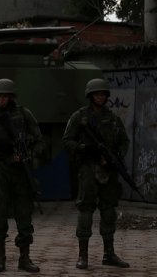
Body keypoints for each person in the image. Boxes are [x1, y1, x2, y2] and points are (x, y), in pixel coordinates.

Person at [0, 78, 44, 273]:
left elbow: (39, 141)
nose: (2, 100)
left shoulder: (24, 114)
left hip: (21, 172)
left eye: (5, 96)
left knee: (24, 215)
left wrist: (29, 158)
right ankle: (0, 258)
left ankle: (25, 258)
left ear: (12, 97)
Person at [62, 78, 130, 269]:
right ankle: (82, 255)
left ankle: (109, 254)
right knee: (86, 211)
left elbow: (124, 141)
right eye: (96, 94)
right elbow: (67, 141)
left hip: (108, 170)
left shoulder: (113, 118)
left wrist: (115, 157)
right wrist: (85, 149)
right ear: (90, 96)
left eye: (103, 94)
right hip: (88, 170)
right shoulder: (79, 117)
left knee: (109, 211)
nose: (100, 97)